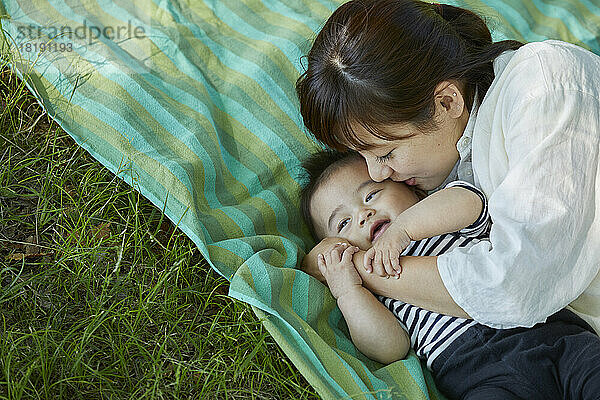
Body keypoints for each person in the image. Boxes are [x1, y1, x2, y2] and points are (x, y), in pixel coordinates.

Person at [296, 0, 600, 333]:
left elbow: (513, 285)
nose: (376, 175)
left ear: (447, 102)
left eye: (385, 154)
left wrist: (353, 267)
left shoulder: (544, 89)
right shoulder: (441, 164)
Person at [301, 150, 600, 399]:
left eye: (372, 195)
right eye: (343, 224)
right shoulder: (373, 286)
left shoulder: (438, 213)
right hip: (476, 374)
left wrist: (405, 229)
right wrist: (348, 291)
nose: (363, 215)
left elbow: (470, 203)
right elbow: (390, 348)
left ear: (411, 188)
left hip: (549, 335)